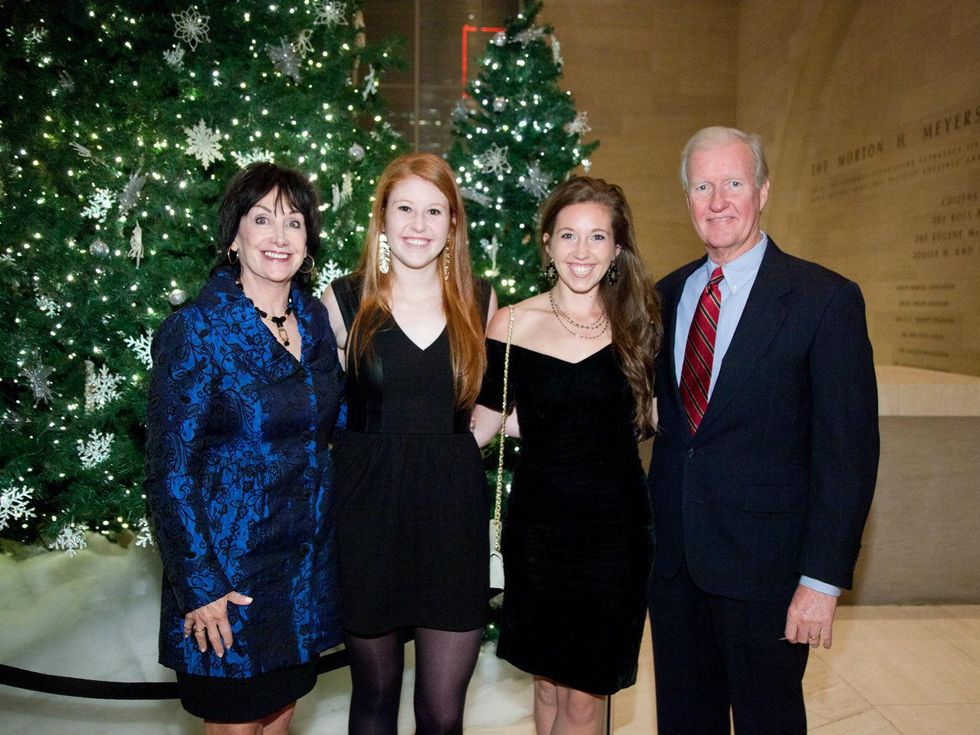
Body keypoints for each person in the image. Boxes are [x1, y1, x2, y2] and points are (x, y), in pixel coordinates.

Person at [647, 126, 880, 734]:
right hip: (674, 570)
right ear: (687, 198)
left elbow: (848, 454)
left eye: (733, 182)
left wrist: (821, 581)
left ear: (763, 191)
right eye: (702, 186)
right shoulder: (664, 297)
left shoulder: (824, 299)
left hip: (768, 575)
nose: (718, 201)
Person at [144, 162, 343, 734]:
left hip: (300, 576)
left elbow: (331, 427)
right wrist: (200, 587)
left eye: (294, 222)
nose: (279, 237)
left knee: (280, 721)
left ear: (308, 241)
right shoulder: (197, 329)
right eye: (262, 220)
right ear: (234, 236)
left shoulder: (314, 321)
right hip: (228, 581)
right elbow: (169, 473)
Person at [472, 176, 662, 735]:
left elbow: (654, 419)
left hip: (614, 537)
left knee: (584, 697)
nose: (582, 251)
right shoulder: (511, 324)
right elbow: (482, 425)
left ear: (618, 248)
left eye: (598, 237)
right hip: (538, 535)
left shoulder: (640, 324)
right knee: (548, 685)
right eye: (569, 235)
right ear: (547, 243)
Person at [320, 152, 497, 734]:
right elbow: (307, 406)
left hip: (452, 518)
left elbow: (494, 401)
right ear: (382, 218)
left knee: (443, 713)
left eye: (434, 211)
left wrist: (459, 448)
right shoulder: (343, 301)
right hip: (368, 515)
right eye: (404, 209)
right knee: (374, 695)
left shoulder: (481, 301)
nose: (418, 225)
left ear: (453, 223)